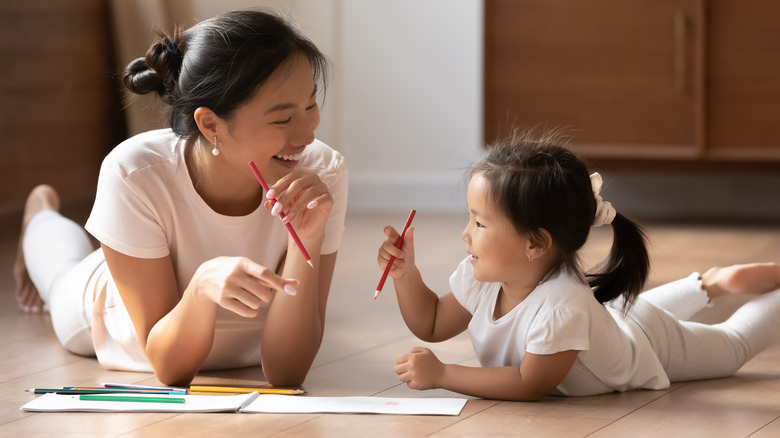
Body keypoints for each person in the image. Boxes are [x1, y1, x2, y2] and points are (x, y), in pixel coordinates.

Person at [13, 9, 348, 387]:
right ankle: (39, 215)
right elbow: (170, 368)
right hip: (112, 315)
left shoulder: (322, 172)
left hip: (242, 347)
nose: (306, 135)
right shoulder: (135, 173)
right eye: (283, 120)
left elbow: (287, 373)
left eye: (310, 106)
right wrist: (202, 286)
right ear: (210, 124)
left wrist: (309, 237)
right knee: (60, 274)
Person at [377, 131, 780, 401]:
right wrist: (405, 273)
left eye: (479, 223)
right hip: (616, 317)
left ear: (536, 243)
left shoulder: (561, 306)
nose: (466, 235)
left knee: (733, 345)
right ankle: (709, 284)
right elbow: (430, 322)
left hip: (648, 344)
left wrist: (444, 375)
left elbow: (528, 382)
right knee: (637, 315)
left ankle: (717, 285)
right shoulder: (485, 275)